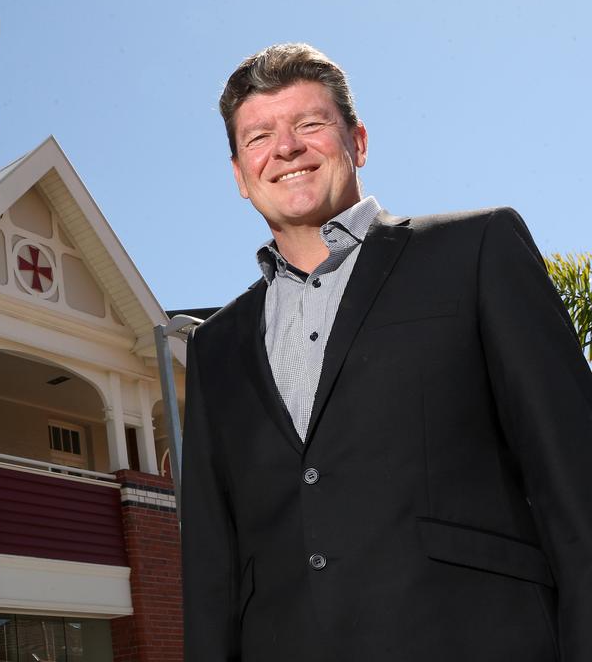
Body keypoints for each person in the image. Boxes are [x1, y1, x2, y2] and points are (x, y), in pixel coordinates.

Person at [180, 43, 592, 662]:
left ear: (359, 142)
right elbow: (213, 563)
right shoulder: (214, 347)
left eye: (309, 125)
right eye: (259, 136)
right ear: (240, 175)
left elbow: (576, 483)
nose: (285, 148)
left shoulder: (475, 251)